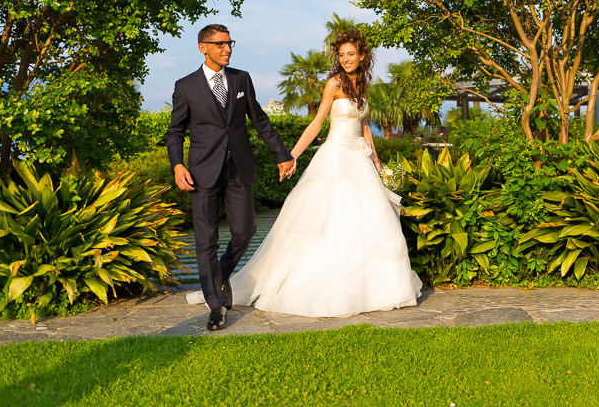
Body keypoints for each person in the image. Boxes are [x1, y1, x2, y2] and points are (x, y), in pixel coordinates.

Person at [188, 29, 422, 317]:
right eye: (342, 55)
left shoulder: (363, 85)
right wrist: (291, 156)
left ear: (362, 56)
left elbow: (363, 126)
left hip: (359, 160)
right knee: (329, 223)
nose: (346, 59)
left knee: (369, 223)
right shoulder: (334, 84)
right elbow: (316, 123)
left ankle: (372, 290)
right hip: (335, 159)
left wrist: (375, 160)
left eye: (351, 54)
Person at [167, 24, 296, 331]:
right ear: (203, 47)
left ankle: (219, 275)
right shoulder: (185, 86)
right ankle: (215, 305)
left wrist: (282, 154)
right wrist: (177, 165)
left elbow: (260, 120)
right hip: (201, 171)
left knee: (245, 231)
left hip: (239, 167)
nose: (227, 48)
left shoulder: (241, 79)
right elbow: (175, 131)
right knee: (205, 241)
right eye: (220, 44)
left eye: (229, 43)